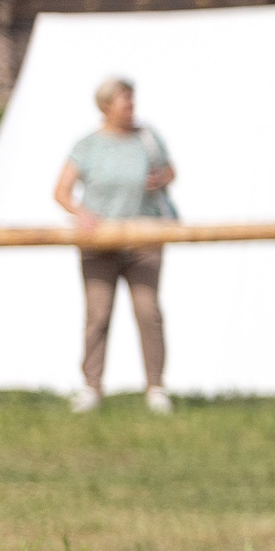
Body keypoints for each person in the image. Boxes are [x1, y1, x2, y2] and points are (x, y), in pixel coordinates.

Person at [52, 75, 176, 413]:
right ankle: (92, 387)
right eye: (126, 102)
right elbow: (61, 192)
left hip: (144, 240)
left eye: (133, 101)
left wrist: (161, 179)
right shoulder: (88, 146)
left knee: (148, 312)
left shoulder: (148, 139)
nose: (132, 108)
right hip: (99, 244)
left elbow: (170, 172)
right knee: (98, 316)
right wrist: (82, 214)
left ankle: (156, 387)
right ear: (107, 107)